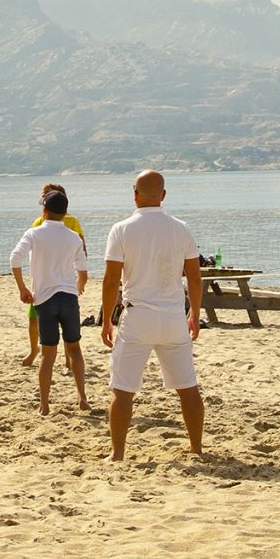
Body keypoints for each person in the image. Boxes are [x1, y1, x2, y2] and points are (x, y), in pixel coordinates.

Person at [98, 169, 204, 462]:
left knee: (123, 389)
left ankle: (117, 453)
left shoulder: (121, 229)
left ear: (134, 194)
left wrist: (107, 318)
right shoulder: (180, 228)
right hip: (172, 316)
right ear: (164, 196)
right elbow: (195, 278)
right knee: (187, 387)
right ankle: (196, 448)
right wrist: (195, 314)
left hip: (138, 317)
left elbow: (110, 280)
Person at [11, 187, 92, 415]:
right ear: (65, 212)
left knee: (48, 354)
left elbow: (14, 258)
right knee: (75, 349)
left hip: (44, 299)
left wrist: (22, 288)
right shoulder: (73, 236)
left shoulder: (34, 233)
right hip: (68, 298)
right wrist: (77, 288)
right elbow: (83, 271)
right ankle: (82, 398)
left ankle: (44, 405)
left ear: (44, 210)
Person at [21, 182, 86, 370]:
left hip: (65, 282)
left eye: (45, 197)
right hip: (42, 283)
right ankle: (34, 351)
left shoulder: (71, 222)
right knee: (34, 320)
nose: (43, 201)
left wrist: (79, 278)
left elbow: (81, 249)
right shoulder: (38, 224)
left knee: (67, 326)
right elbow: (32, 253)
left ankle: (67, 360)